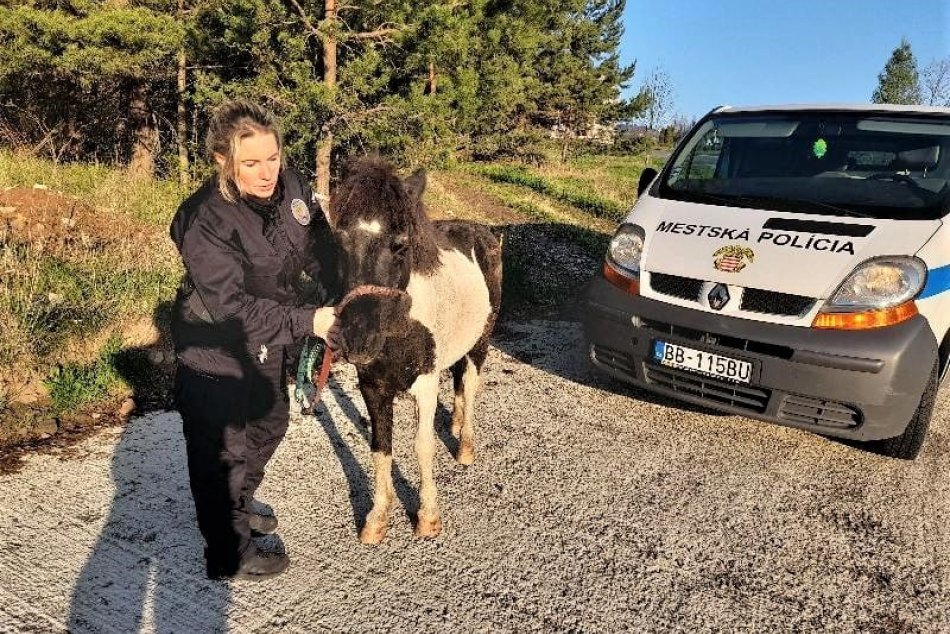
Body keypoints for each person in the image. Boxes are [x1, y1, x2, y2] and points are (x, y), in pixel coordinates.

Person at [169, 100, 340, 581]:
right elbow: (232, 308)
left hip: (270, 330)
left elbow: (316, 244)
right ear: (224, 162)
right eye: (251, 163)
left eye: (273, 157)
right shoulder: (207, 219)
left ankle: (238, 505)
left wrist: (340, 285)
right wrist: (310, 321)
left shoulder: (290, 187)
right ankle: (227, 552)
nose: (267, 173)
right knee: (223, 450)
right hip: (216, 344)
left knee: (270, 422)